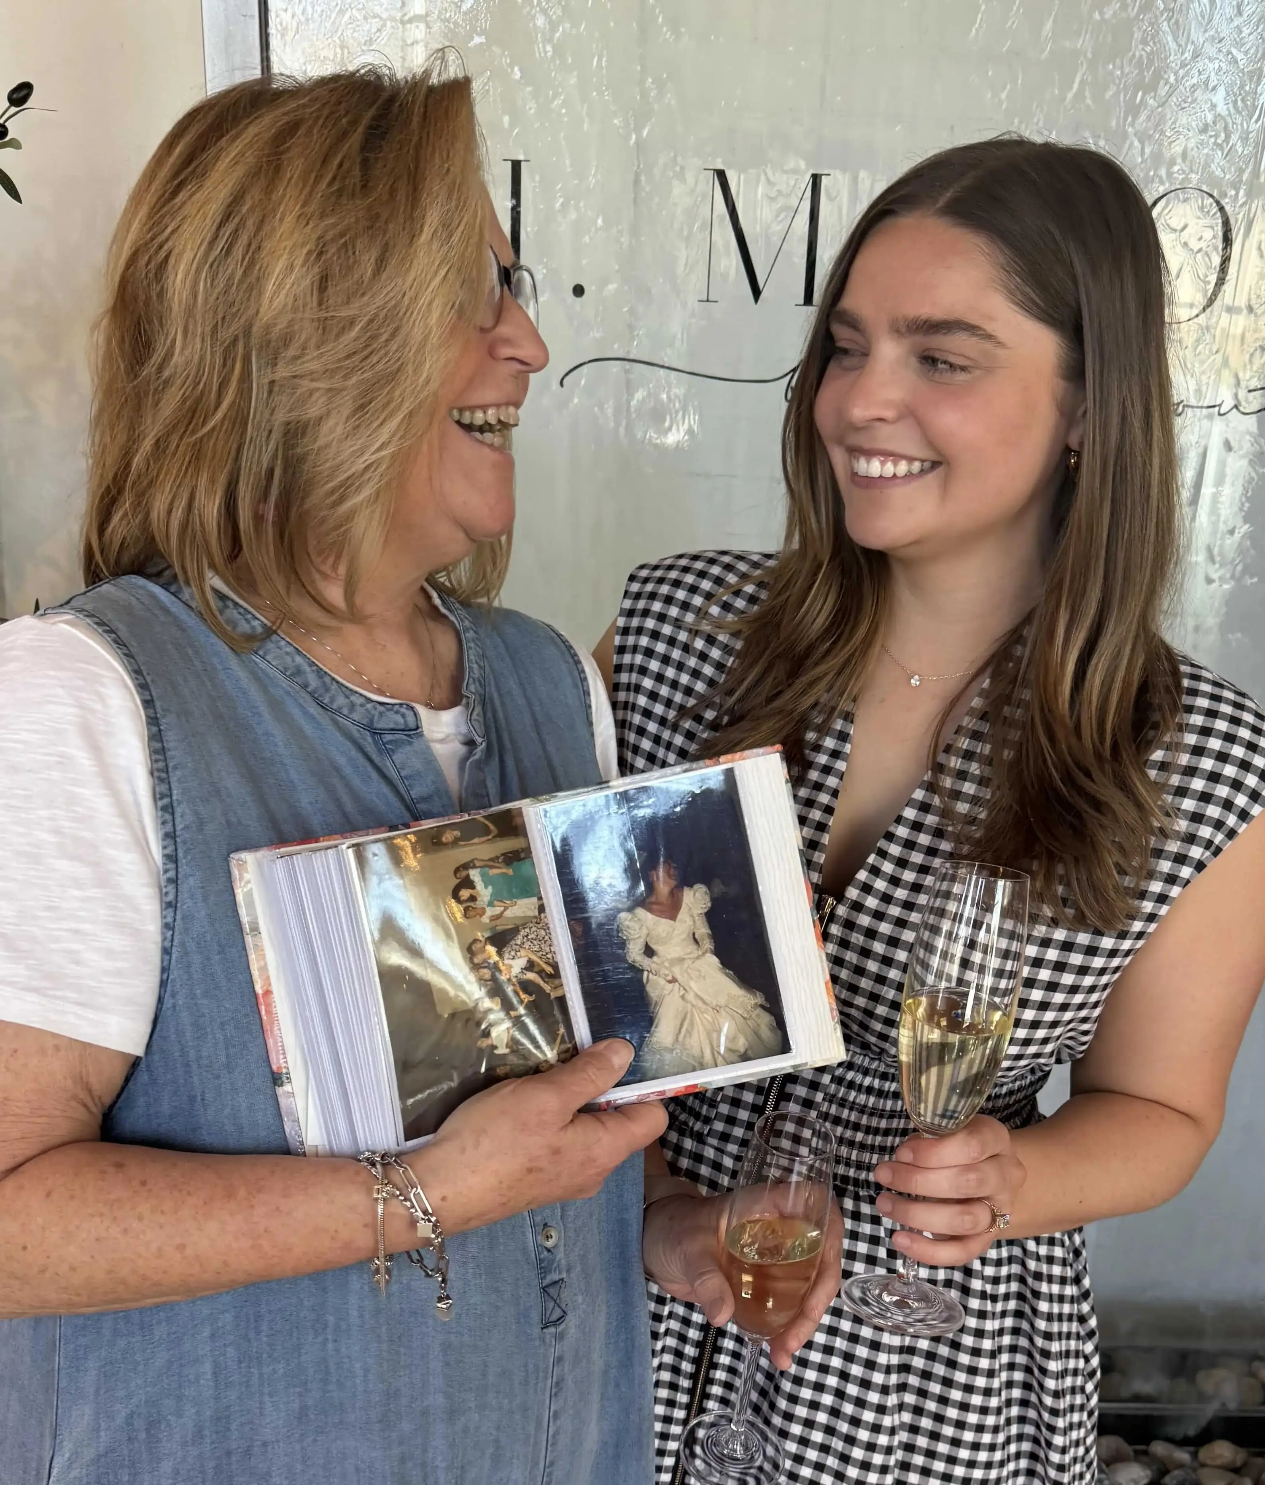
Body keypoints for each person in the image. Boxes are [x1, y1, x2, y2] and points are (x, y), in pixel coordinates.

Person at [0, 63, 665, 1485]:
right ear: (311, 329)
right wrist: (426, 1194)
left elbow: (546, 1154)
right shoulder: (82, 702)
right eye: (475, 290)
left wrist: (655, 1231)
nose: (532, 344)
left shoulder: (553, 683)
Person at [597, 137, 1265, 1484]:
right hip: (623, 1308)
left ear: (1090, 407)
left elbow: (1159, 1109)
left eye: (940, 358)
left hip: (919, 1370)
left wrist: (1012, 1182)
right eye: (846, 347)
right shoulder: (674, 635)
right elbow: (553, 999)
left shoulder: (1191, 762)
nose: (859, 402)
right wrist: (657, 1209)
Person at [617, 858, 783, 1076]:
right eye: (665, 865)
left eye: (674, 865)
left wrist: (707, 948)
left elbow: (702, 931)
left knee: (731, 1013)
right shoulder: (638, 916)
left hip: (701, 966)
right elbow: (634, 955)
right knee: (682, 1031)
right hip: (670, 977)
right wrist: (662, 971)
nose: (673, 868)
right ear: (650, 873)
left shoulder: (691, 896)